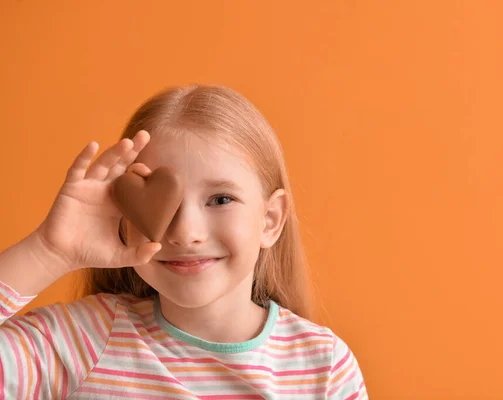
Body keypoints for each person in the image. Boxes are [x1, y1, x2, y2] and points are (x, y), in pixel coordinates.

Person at [0, 84, 368, 399]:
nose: (185, 232)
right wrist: (49, 251)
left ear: (270, 220)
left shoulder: (323, 366)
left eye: (221, 199)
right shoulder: (82, 340)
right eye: (164, 205)